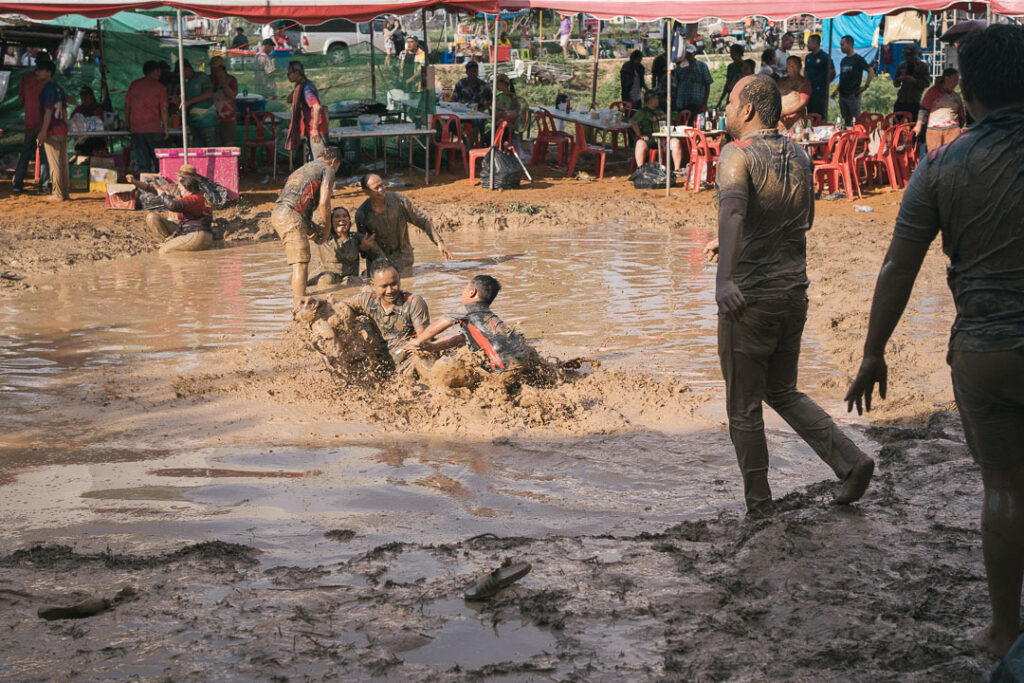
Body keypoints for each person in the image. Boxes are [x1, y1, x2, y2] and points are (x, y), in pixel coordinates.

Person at [844, 23, 1024, 662]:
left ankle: (1005, 631)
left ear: (966, 94)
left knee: (1004, 487)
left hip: (985, 350)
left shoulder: (942, 166)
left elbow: (898, 267)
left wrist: (872, 352)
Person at [714, 74, 875, 517]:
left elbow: (732, 210)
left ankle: (760, 507)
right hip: (793, 292)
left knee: (744, 407)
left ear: (747, 109)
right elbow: (800, 221)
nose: (725, 110)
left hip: (749, 299)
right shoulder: (800, 154)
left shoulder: (736, 154)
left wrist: (725, 278)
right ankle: (852, 461)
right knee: (782, 389)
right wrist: (734, 240)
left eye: (730, 102)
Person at [405, 275, 529, 373]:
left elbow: (437, 327)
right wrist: (432, 347)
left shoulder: (466, 309)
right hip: (521, 360)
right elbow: (457, 339)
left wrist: (418, 340)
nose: (462, 293)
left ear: (472, 292)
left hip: (500, 366)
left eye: (464, 289)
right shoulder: (486, 317)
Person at [271, 146, 341, 302]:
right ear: (334, 161)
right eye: (338, 167)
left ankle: (300, 295)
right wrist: (327, 227)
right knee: (301, 263)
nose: (336, 170)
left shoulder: (304, 168)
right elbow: (324, 203)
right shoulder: (327, 169)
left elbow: (301, 200)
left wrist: (312, 229)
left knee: (301, 257)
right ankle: (299, 303)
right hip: (291, 215)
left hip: (278, 213)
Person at [355, 173, 453, 274]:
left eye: (382, 185)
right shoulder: (362, 214)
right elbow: (363, 248)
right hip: (378, 264)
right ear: (366, 192)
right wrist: (364, 247)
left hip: (403, 259)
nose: (381, 189)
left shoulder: (399, 201)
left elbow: (422, 221)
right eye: (376, 188)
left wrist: (439, 242)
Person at [345, 258, 430, 369]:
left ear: (399, 279)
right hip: (379, 363)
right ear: (373, 285)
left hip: (409, 361)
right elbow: (341, 308)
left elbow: (424, 339)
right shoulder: (366, 301)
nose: (390, 290)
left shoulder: (413, 303)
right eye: (384, 286)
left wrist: (418, 345)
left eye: (394, 284)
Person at [129, 165, 214, 254]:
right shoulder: (187, 192)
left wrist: (162, 192)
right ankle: (169, 243)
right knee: (152, 217)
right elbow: (152, 189)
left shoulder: (195, 197)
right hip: (185, 229)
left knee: (164, 251)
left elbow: (173, 205)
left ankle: (171, 247)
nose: (178, 180)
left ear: (189, 182)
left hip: (197, 233)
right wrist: (134, 182)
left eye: (182, 178)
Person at [308, 206, 382, 288]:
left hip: (350, 278)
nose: (341, 219)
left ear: (349, 221)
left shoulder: (356, 238)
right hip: (327, 277)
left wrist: (364, 247)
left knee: (353, 282)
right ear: (331, 222)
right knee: (327, 280)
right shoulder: (324, 237)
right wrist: (309, 233)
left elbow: (376, 252)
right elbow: (308, 226)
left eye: (345, 216)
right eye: (337, 217)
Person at [12, 58, 51, 195]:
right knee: (45, 155)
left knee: (25, 154)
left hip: (29, 121)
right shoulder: (46, 80)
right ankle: (44, 186)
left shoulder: (26, 77)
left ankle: (17, 184)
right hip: (42, 123)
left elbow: (20, 99)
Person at [125, 61, 169, 173]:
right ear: (154, 71)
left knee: (143, 164)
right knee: (159, 162)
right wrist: (165, 128)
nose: (159, 74)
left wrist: (127, 123)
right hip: (154, 129)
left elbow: (127, 105)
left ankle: (145, 188)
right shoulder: (160, 87)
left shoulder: (134, 85)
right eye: (158, 71)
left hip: (137, 129)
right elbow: (163, 108)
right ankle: (162, 187)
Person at [35, 61, 69, 202]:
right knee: (63, 163)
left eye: (40, 69)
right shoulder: (59, 89)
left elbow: (48, 112)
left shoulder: (47, 89)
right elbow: (65, 112)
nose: (37, 72)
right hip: (62, 130)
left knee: (55, 164)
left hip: (52, 130)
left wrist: (43, 132)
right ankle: (65, 193)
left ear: (49, 72)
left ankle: (57, 194)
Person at [631, 90, 685, 174]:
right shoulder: (643, 112)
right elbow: (634, 122)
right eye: (656, 98)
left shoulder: (660, 110)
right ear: (650, 100)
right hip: (652, 138)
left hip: (664, 137)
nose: (658, 100)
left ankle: (677, 170)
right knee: (640, 143)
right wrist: (640, 134)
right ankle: (640, 170)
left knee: (676, 142)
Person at [285, 61, 327, 163]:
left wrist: (315, 129)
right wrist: (295, 92)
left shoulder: (306, 88)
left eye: (289, 73)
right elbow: (289, 100)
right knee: (314, 161)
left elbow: (316, 107)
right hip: (310, 129)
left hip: (316, 130)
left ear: (297, 73)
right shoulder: (300, 86)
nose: (288, 76)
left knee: (319, 163)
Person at [914, 67, 965, 152]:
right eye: (955, 79)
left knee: (951, 156)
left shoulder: (956, 96)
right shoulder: (932, 92)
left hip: (953, 130)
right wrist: (918, 125)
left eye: (957, 80)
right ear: (947, 78)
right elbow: (923, 109)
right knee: (934, 157)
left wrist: (959, 128)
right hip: (934, 131)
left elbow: (961, 115)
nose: (956, 83)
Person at [833, 35, 874, 126]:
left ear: (849, 44)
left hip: (853, 94)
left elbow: (870, 71)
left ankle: (857, 137)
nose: (841, 47)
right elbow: (842, 77)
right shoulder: (843, 60)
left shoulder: (857, 59)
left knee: (856, 120)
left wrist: (865, 86)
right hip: (842, 95)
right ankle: (847, 136)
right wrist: (837, 90)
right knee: (846, 119)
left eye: (842, 45)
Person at [182, 59, 217, 147]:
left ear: (187, 69)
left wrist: (190, 101)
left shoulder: (201, 77)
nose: (182, 76)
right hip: (194, 123)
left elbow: (209, 93)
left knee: (210, 148)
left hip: (207, 121)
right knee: (197, 150)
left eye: (182, 72)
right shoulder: (186, 83)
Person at [892, 44, 930, 121]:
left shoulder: (923, 67)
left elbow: (926, 83)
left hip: (914, 100)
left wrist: (914, 81)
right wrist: (900, 80)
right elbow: (895, 83)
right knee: (896, 124)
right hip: (901, 99)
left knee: (913, 125)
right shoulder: (902, 66)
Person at [672, 44, 713, 115]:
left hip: (697, 101)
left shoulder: (702, 66)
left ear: (694, 54)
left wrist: (705, 102)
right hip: (682, 101)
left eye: (691, 53)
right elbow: (675, 85)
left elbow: (707, 84)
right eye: (687, 53)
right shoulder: (679, 67)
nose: (689, 55)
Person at [804, 34, 835, 120]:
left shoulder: (825, 57)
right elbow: (805, 72)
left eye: (809, 43)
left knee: (820, 115)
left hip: (820, 92)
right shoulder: (808, 57)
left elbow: (833, 72)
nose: (807, 45)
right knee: (810, 114)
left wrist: (825, 82)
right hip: (810, 91)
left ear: (815, 44)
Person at [70, 86, 107, 157]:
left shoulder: (98, 108)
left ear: (91, 97)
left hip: (96, 140)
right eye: (82, 96)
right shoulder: (78, 109)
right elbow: (71, 120)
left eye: (86, 96)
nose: (84, 99)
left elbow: (102, 122)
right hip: (81, 140)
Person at [210, 56, 238, 147]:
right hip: (211, 118)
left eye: (215, 69)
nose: (212, 70)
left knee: (227, 144)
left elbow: (232, 95)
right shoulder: (209, 79)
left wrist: (223, 81)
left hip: (227, 118)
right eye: (211, 68)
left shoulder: (231, 79)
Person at [777, 56, 811, 130]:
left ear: (800, 66)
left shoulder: (804, 82)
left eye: (794, 64)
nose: (791, 67)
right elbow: (774, 98)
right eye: (789, 64)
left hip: (796, 121)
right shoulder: (781, 81)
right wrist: (779, 114)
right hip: (780, 121)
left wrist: (786, 112)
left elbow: (803, 103)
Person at [716, 44, 745, 110]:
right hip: (731, 95)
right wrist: (720, 100)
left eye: (733, 54)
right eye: (731, 54)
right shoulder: (730, 67)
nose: (731, 56)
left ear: (739, 54)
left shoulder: (746, 66)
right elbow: (727, 84)